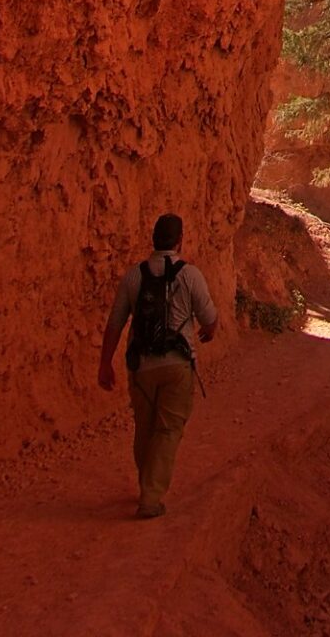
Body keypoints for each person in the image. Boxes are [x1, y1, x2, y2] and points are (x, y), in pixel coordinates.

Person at [98, 212, 218, 519]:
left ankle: (146, 484)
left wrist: (105, 363)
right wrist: (208, 331)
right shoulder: (190, 275)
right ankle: (150, 497)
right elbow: (209, 318)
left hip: (141, 367)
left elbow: (115, 323)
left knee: (145, 427)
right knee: (168, 430)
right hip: (177, 366)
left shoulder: (133, 276)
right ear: (180, 240)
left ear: (153, 239)